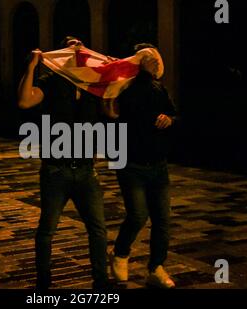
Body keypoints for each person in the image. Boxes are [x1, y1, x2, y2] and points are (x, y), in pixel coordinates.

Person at [17, 36, 110, 290]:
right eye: (70, 47)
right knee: (47, 229)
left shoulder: (92, 85)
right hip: (56, 169)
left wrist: (113, 80)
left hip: (86, 170)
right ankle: (44, 282)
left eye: (79, 45)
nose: (76, 49)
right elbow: (25, 101)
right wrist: (31, 67)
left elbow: (112, 112)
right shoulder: (52, 82)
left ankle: (101, 282)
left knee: (98, 230)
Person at [109, 43, 178, 289]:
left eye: (157, 59)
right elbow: (112, 112)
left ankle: (156, 268)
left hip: (158, 165)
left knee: (162, 219)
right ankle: (120, 253)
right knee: (138, 214)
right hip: (131, 163)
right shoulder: (126, 89)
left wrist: (169, 119)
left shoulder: (160, 89)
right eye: (150, 59)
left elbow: (173, 113)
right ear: (139, 63)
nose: (157, 63)